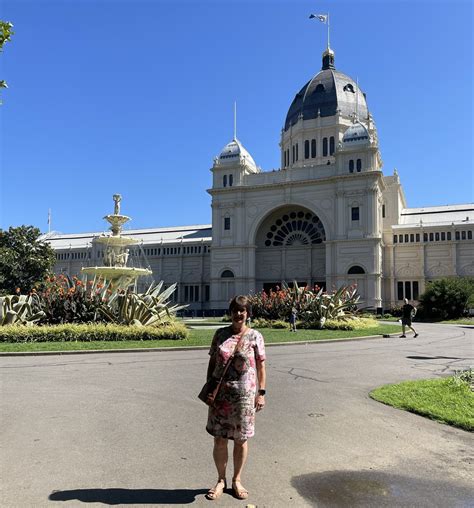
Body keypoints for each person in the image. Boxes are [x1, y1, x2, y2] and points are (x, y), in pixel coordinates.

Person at [205, 295, 266, 501]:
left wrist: (262, 393)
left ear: (247, 313)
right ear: (230, 312)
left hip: (244, 398)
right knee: (219, 439)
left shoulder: (255, 336)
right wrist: (209, 390)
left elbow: (261, 366)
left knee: (241, 440)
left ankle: (237, 480)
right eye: (235, 310)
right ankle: (221, 480)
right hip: (220, 396)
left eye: (243, 310)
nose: (239, 314)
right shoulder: (220, 334)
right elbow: (213, 362)